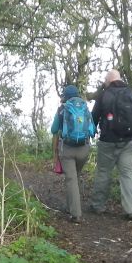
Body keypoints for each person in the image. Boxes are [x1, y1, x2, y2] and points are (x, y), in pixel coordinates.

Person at [89, 69, 132, 221]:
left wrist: (93, 131)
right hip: (128, 141)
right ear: (120, 79)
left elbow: (93, 118)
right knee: (128, 174)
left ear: (108, 81)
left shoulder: (104, 95)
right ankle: (130, 209)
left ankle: (98, 206)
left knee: (103, 173)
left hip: (107, 141)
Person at [51, 84, 94, 223]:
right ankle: (71, 206)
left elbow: (53, 129)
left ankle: (76, 213)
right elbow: (92, 129)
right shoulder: (85, 108)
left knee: (71, 179)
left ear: (66, 96)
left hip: (68, 150)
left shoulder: (62, 109)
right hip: (84, 149)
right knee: (76, 176)